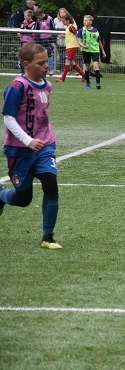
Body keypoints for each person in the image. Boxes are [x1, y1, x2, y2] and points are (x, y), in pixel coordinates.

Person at [0, 43, 62, 249]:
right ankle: (1, 195)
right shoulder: (18, 86)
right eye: (41, 63)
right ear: (26, 64)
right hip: (19, 150)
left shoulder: (47, 86)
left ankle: (48, 237)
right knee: (23, 199)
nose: (46, 66)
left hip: (45, 144)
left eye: (47, 61)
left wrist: (42, 137)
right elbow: (8, 118)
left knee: (50, 183)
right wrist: (28, 140)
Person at [77, 15, 106, 89]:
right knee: (87, 67)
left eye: (86, 20)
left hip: (95, 50)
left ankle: (98, 83)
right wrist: (83, 46)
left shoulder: (95, 31)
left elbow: (99, 41)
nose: (84, 22)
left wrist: (103, 51)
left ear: (90, 22)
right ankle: (87, 82)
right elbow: (79, 41)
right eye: (84, 20)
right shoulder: (81, 30)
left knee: (96, 66)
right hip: (86, 50)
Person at [55, 12, 86, 83]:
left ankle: (62, 78)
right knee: (72, 63)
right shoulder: (68, 27)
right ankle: (84, 75)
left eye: (64, 21)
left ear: (68, 20)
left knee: (67, 61)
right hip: (69, 46)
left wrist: (79, 43)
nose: (63, 23)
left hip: (72, 46)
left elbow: (77, 34)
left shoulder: (71, 26)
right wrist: (65, 36)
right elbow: (70, 35)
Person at [34, 7, 56, 74]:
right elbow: (36, 30)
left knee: (49, 54)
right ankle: (41, 69)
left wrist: (53, 41)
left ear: (42, 14)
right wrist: (37, 40)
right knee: (40, 55)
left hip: (48, 39)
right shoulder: (38, 20)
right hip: (41, 40)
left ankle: (51, 69)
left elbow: (53, 29)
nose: (38, 18)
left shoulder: (49, 19)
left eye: (39, 16)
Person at [53, 8, 69, 72]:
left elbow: (73, 27)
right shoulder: (56, 20)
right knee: (61, 55)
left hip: (67, 40)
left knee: (66, 55)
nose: (62, 13)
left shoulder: (69, 19)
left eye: (63, 12)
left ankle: (66, 69)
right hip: (59, 40)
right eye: (61, 12)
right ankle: (61, 68)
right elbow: (54, 28)